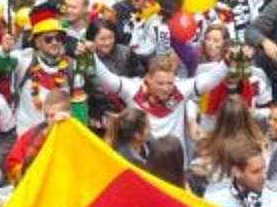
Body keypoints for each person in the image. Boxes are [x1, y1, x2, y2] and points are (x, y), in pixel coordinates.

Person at [91, 51, 227, 151]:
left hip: (176, 162)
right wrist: (91, 55)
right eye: (160, 83)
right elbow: (107, 78)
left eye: (169, 83)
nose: (166, 88)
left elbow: (210, 78)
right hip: (144, 164)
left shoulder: (181, 89)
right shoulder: (132, 89)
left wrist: (227, 61)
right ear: (149, 78)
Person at [202, 139, 277, 207]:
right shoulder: (214, 198)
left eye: (264, 169)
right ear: (236, 172)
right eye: (255, 172)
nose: (263, 176)